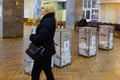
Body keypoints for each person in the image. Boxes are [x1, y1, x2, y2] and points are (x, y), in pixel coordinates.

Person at [29, 2, 56, 80]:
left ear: (48, 10)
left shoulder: (47, 21)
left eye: (43, 8)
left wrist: (32, 36)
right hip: (47, 50)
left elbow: (41, 38)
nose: (41, 9)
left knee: (35, 72)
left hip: (43, 51)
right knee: (47, 70)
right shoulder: (50, 19)